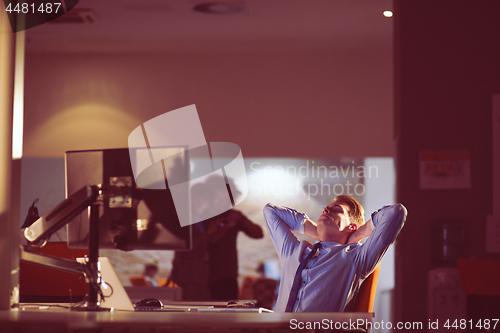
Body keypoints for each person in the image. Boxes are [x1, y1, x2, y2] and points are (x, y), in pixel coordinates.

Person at [263, 195, 407, 312]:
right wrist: (319, 232)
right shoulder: (292, 250)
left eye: (337, 209)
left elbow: (396, 213)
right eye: (326, 208)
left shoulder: (355, 258)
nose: (325, 209)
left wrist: (357, 235)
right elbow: (270, 211)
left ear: (351, 226)